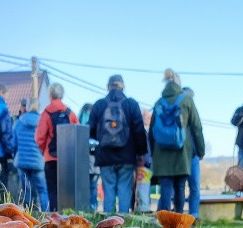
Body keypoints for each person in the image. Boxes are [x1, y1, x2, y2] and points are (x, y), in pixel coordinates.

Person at [89, 74, 147, 214]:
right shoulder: (131, 104)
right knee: (124, 188)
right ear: (123, 86)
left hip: (105, 156)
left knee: (108, 189)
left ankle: (109, 223)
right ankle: (123, 222)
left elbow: (90, 130)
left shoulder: (99, 104)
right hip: (127, 156)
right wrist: (141, 152)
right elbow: (139, 130)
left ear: (108, 86)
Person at [149, 69, 205, 214]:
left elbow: (151, 131)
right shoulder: (186, 100)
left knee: (165, 187)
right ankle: (178, 223)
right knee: (180, 187)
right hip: (182, 151)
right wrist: (200, 150)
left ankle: (165, 223)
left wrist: (152, 153)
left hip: (161, 152)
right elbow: (197, 127)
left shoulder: (158, 102)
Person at [35, 83, 78, 212]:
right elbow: (77, 134)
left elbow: (39, 137)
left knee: (52, 190)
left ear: (49, 95)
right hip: (67, 158)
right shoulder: (70, 113)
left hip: (50, 158)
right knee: (68, 190)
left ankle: (55, 216)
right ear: (62, 95)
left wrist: (45, 151)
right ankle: (69, 216)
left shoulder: (46, 113)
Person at [13, 99, 48, 211]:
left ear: (27, 107)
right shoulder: (43, 121)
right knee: (42, 190)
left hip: (22, 160)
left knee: (25, 189)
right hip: (38, 161)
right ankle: (46, 215)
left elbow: (13, 143)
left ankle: (28, 217)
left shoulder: (19, 122)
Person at [182, 87, 201, 219]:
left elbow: (198, 132)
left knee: (194, 186)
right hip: (181, 156)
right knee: (181, 186)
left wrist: (200, 151)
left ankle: (193, 215)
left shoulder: (193, 114)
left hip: (193, 155)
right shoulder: (177, 114)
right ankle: (179, 217)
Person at [79, 103, 100, 210]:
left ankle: (84, 209)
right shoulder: (97, 126)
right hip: (95, 164)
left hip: (83, 163)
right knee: (93, 188)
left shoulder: (79, 127)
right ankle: (93, 208)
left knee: (84, 188)